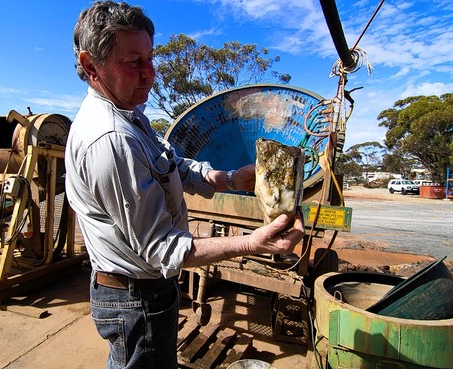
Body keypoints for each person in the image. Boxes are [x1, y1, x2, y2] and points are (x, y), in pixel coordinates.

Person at [65, 1, 305, 368]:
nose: (150, 73)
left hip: (147, 292)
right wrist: (252, 243)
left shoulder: (131, 116)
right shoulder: (110, 140)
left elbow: (172, 165)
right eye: (134, 62)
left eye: (150, 58)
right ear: (90, 65)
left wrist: (226, 178)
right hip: (135, 301)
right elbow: (164, 250)